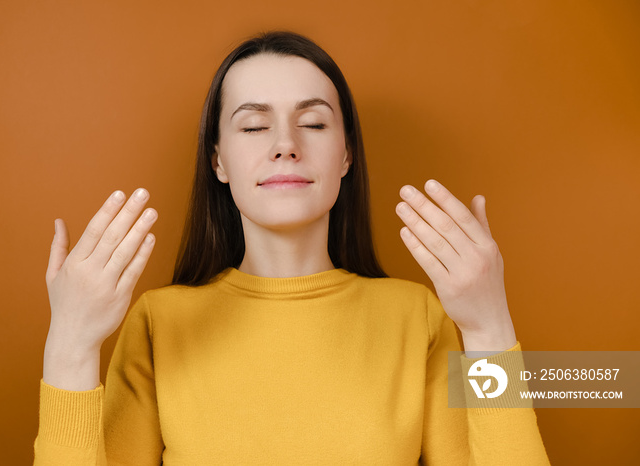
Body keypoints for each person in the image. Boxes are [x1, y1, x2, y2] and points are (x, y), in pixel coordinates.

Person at [34, 31, 550, 465]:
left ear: (345, 155)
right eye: (255, 125)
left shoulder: (417, 319)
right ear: (219, 161)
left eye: (314, 123)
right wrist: (69, 347)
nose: (285, 143)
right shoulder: (158, 324)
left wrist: (489, 327)